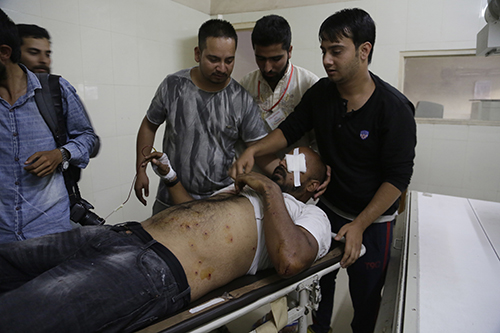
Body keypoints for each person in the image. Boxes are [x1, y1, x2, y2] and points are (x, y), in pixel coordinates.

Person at [0, 147, 331, 333]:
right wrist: (169, 174)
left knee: (18, 316)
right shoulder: (246, 193)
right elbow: (192, 215)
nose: (287, 162)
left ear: (313, 184)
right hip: (119, 235)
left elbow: (290, 259)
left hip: (150, 271)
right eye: (287, 157)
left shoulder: (307, 214)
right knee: (8, 260)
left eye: (297, 164)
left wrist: (269, 186)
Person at [230, 8, 417, 333]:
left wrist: (359, 225)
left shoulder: (394, 109)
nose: (327, 60)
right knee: (318, 288)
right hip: (328, 210)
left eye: (336, 51)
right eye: (323, 51)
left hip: (373, 223)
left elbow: (397, 179)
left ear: (364, 50)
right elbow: (289, 130)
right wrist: (254, 149)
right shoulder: (322, 94)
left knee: (366, 299)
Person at [135, 18, 276, 215]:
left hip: (219, 203)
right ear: (197, 54)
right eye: (214, 59)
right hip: (170, 199)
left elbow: (259, 150)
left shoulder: (241, 100)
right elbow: (149, 125)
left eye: (229, 60)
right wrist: (140, 170)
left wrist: (291, 176)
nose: (222, 68)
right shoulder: (173, 86)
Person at [0, 10, 99, 243]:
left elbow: (88, 138)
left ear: (4, 53)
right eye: (34, 52)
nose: (43, 60)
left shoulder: (56, 90)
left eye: (46, 53)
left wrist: (61, 154)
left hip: (52, 234)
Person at [239, 14, 319, 158]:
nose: (268, 67)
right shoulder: (245, 85)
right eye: (261, 58)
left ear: (289, 51)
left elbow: (318, 142)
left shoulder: (308, 84)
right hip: (256, 171)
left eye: (276, 59)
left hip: (296, 176)